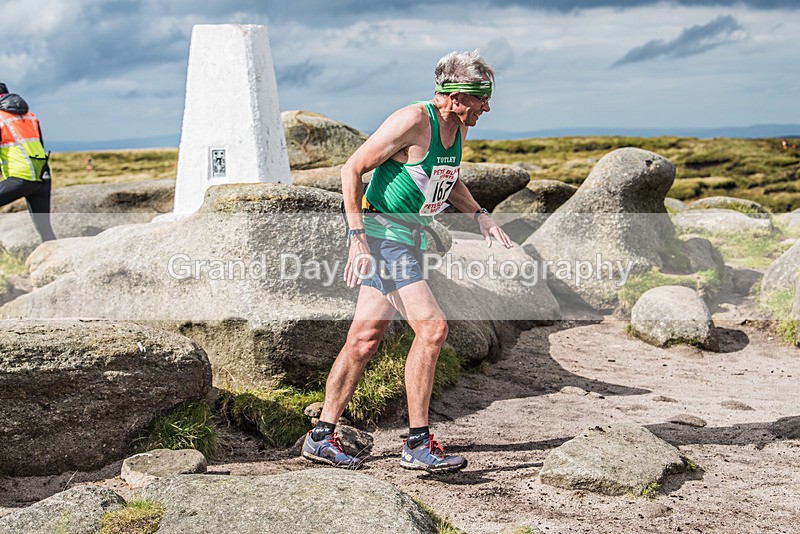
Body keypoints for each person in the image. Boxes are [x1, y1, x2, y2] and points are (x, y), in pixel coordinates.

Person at [302, 50, 512, 472]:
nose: (487, 108)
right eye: (481, 99)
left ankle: (321, 437)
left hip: (408, 239)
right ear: (455, 96)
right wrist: (357, 239)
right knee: (433, 330)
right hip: (383, 238)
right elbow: (351, 169)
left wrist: (480, 215)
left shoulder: (458, 127)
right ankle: (417, 443)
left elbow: (446, 179)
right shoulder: (413, 120)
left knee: (363, 340)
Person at [0, 82, 55, 242]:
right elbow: (40, 144)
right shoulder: (30, 116)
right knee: (46, 231)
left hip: (20, 177)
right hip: (42, 176)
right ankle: (57, 256)